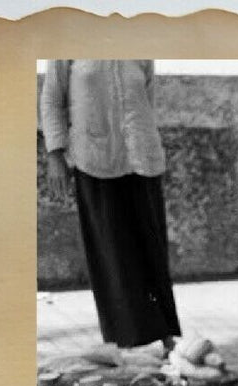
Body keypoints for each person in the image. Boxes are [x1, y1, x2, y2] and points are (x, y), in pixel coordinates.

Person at [41, 60, 183, 349]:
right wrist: (55, 154)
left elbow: (148, 99)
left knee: (152, 249)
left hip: (142, 157)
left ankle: (166, 337)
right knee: (111, 253)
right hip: (95, 159)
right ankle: (126, 342)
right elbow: (52, 98)